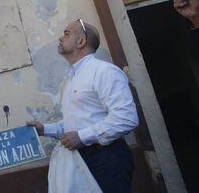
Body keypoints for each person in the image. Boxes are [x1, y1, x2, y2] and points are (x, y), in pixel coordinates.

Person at [27, 19, 139, 193]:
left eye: (66, 33)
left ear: (81, 41)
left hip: (107, 159)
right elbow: (77, 123)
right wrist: (44, 129)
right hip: (82, 160)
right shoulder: (70, 80)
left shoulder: (104, 71)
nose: (60, 38)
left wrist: (82, 137)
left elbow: (126, 118)